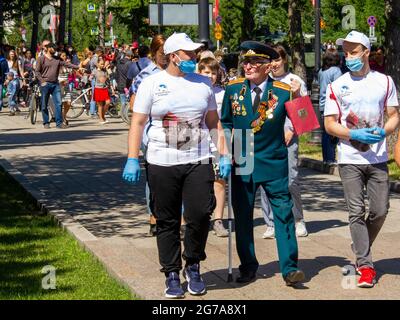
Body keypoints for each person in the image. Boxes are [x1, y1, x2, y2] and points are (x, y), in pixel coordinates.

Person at [122, 32, 230, 298]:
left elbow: (214, 122)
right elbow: (137, 122)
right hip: (162, 160)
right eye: (189, 54)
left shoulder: (203, 84)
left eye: (195, 53)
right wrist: (132, 158)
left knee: (199, 215)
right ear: (174, 57)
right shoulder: (152, 84)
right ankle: (171, 272)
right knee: (167, 219)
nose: (195, 57)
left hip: (197, 159)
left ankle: (193, 265)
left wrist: (224, 154)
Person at [220, 40, 305, 286]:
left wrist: (298, 99)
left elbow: (304, 120)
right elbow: (225, 121)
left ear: (268, 66)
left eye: (254, 62)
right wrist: (227, 149)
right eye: (245, 62)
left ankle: (289, 268)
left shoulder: (282, 90)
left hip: (274, 158)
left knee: (283, 213)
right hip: (242, 154)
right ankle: (247, 266)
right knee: (244, 216)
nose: (248, 66)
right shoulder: (234, 89)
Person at [324, 31, 399, 288]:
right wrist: (352, 133)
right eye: (346, 52)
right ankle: (365, 265)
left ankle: (360, 243)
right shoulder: (336, 85)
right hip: (349, 157)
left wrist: (384, 131)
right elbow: (329, 124)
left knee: (380, 210)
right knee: (355, 212)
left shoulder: (385, 82)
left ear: (366, 51)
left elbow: (393, 115)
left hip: (377, 157)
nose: (349, 56)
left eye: (353, 51)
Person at [260, 44, 308, 239]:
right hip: (266, 138)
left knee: (290, 179)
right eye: (270, 60)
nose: (274, 64)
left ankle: (298, 219)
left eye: (277, 59)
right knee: (265, 179)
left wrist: (292, 129)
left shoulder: (294, 81)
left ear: (285, 60)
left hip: (288, 136)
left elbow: (303, 113)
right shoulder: (263, 82)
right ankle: (270, 222)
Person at [129, 34, 167, 237]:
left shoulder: (178, 73)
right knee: (154, 177)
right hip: (150, 134)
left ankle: (175, 218)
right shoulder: (145, 76)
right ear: (153, 53)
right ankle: (154, 216)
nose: (166, 58)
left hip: (176, 134)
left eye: (169, 54)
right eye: (162, 54)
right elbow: (134, 105)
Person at [198, 57, 229, 237]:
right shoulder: (193, 91)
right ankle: (191, 219)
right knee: (197, 181)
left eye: (213, 72)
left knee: (220, 180)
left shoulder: (222, 94)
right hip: (197, 140)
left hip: (218, 139)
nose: (210, 76)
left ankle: (218, 220)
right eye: (206, 72)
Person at [34, 42, 83, 129]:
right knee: (44, 104)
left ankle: (59, 123)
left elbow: (66, 64)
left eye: (56, 49)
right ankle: (46, 122)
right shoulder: (41, 59)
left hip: (55, 84)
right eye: (53, 48)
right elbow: (37, 72)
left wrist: (77, 67)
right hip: (45, 84)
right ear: (48, 48)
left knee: (59, 103)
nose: (55, 50)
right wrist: (42, 81)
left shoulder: (57, 59)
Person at [318, 49, 342, 164]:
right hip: (332, 105)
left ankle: (326, 158)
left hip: (323, 104)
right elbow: (339, 88)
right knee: (333, 133)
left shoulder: (321, 71)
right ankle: (331, 157)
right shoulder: (336, 71)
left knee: (326, 132)